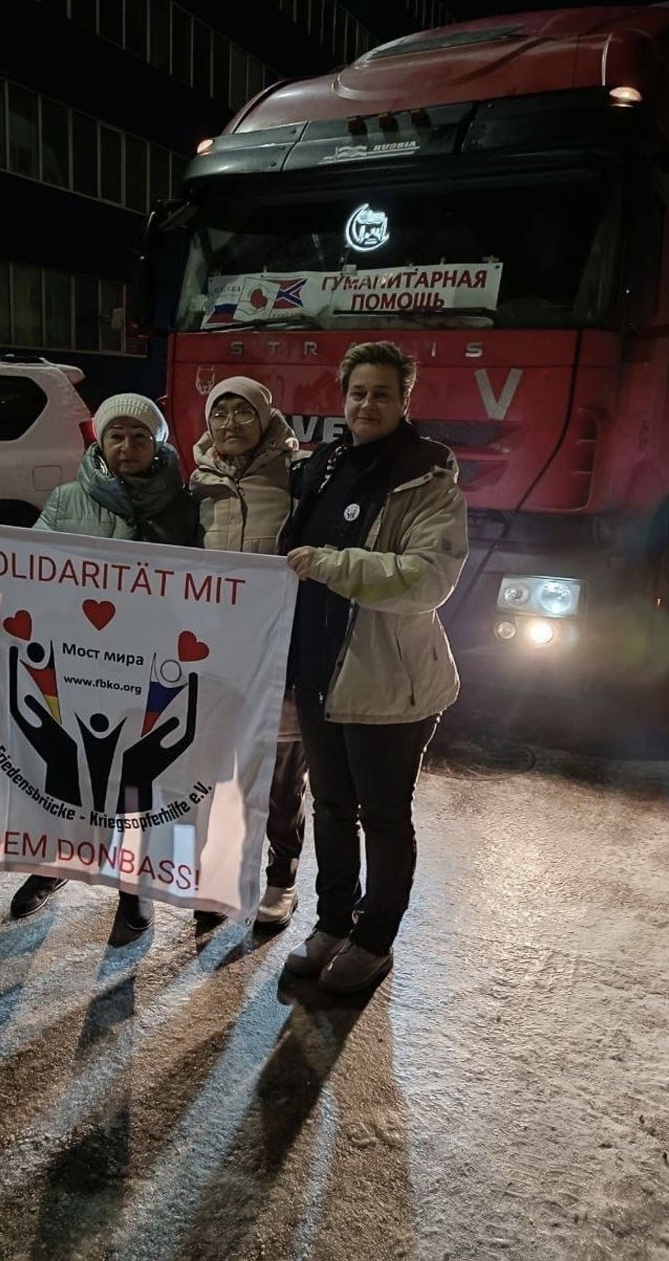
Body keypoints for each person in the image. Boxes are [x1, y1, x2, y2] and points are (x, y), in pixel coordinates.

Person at [282, 341, 467, 993]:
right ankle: (333, 921)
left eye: (382, 393)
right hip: (317, 670)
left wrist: (333, 564)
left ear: (404, 400)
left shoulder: (428, 478)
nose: (367, 404)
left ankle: (374, 939)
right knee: (330, 806)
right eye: (358, 392)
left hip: (390, 682)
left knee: (383, 817)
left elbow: (427, 580)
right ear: (343, 397)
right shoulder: (323, 465)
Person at [9, 393, 198, 938]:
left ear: (158, 443)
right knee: (67, 771)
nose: (127, 446)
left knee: (133, 777)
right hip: (79, 663)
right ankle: (55, 864)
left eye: (140, 436)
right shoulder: (68, 499)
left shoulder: (183, 507)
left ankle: (133, 889)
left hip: (150, 664)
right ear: (100, 441)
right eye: (116, 435)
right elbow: (32, 565)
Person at [190, 376, 307, 928]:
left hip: (279, 657)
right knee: (215, 773)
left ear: (265, 418)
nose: (230, 424)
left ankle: (282, 878)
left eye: (243, 412)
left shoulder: (299, 478)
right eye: (220, 413)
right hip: (215, 659)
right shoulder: (195, 485)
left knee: (282, 776)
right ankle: (215, 878)